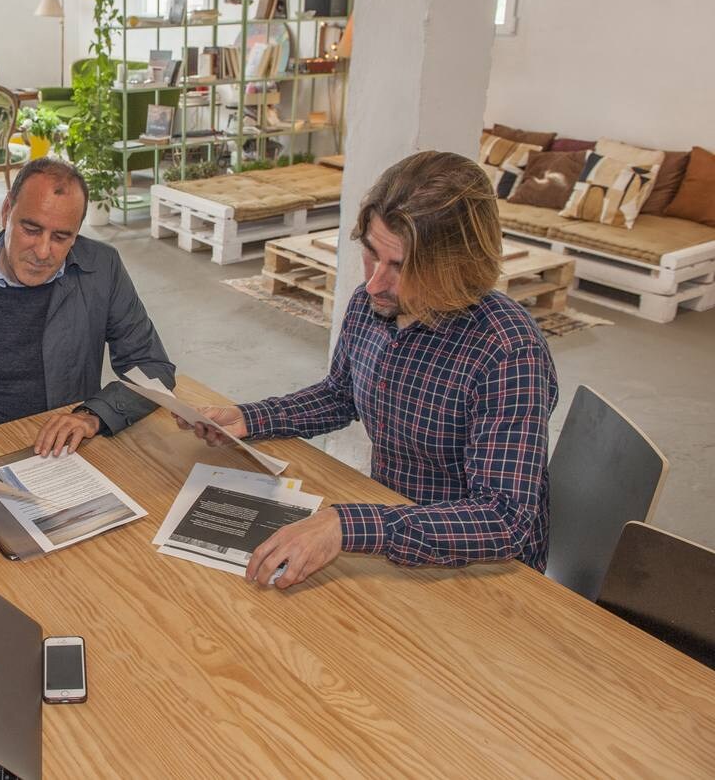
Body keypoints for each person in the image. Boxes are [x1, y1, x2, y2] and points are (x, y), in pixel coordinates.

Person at [181, 150, 558, 589]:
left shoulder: (508, 352)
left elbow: (502, 519)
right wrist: (250, 418)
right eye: (371, 254)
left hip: (482, 570)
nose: (375, 282)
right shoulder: (371, 303)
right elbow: (342, 394)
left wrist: (346, 525)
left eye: (400, 266)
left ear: (458, 268)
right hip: (390, 528)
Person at [0, 157, 176, 494]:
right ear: (6, 210)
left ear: (77, 234)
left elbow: (153, 367)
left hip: (59, 455)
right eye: (31, 229)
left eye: (61, 237)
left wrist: (92, 415)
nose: (42, 251)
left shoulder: (103, 268)